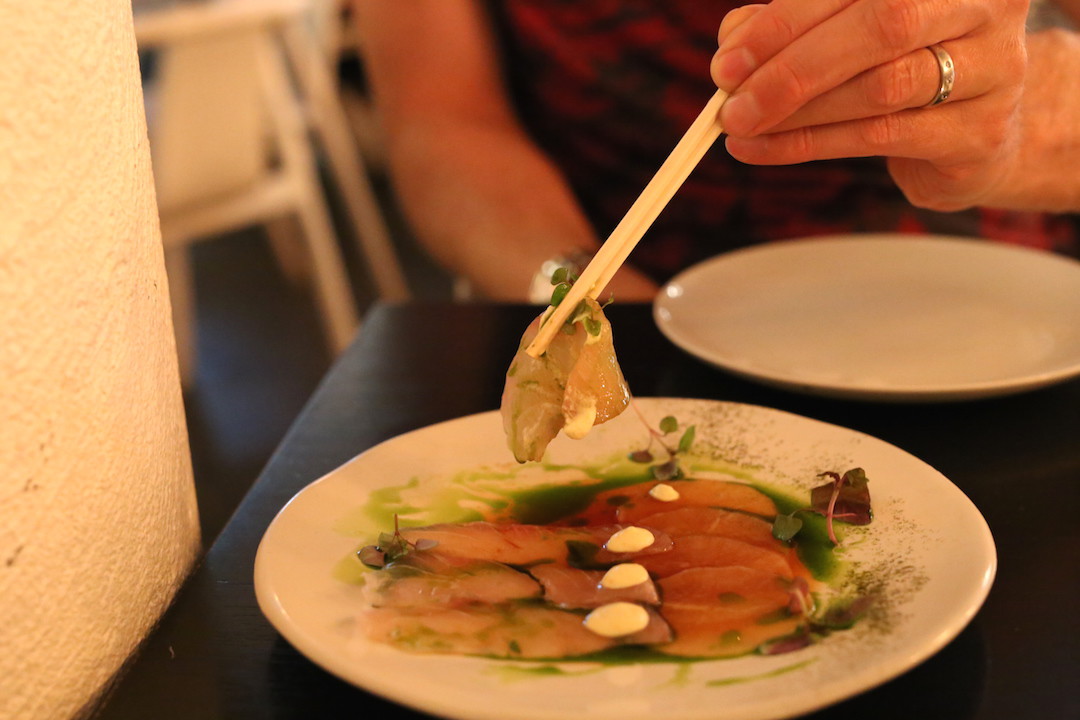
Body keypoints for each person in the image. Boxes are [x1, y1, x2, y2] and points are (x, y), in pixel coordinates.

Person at [354, 0, 1080, 302]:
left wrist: (1028, 131)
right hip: (637, 294)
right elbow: (443, 122)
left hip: (994, 309)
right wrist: (580, 295)